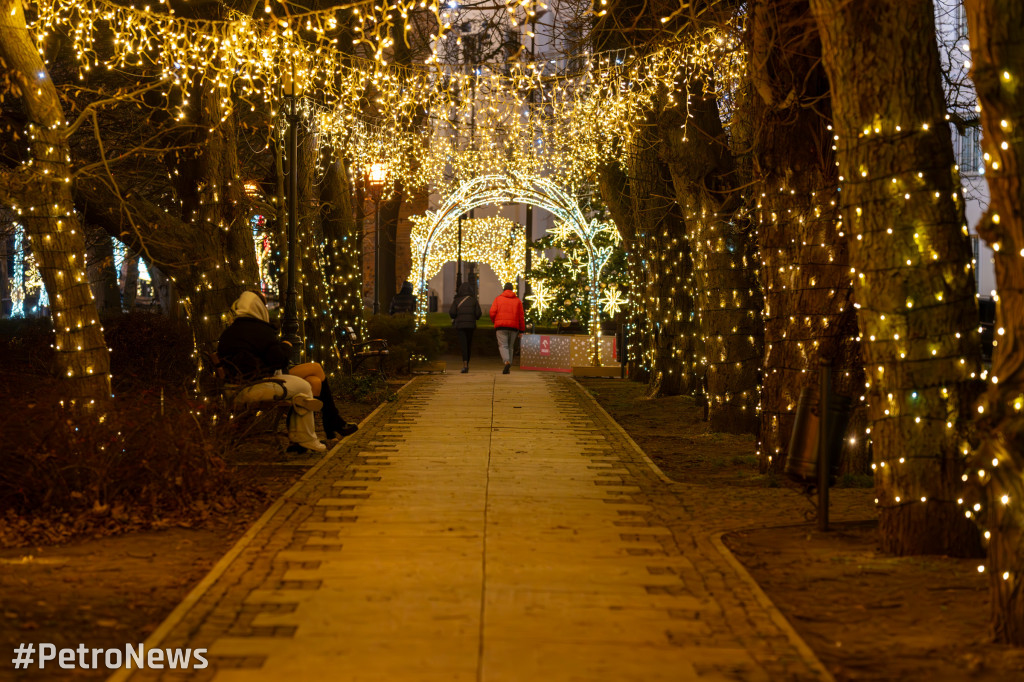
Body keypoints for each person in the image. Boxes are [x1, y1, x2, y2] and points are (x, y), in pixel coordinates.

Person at [217, 291, 357, 454]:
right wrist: (286, 346)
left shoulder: (229, 332)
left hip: (234, 385)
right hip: (259, 382)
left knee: (314, 381)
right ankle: (319, 431)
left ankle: (314, 434)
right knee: (310, 381)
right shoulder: (260, 330)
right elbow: (279, 360)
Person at [489, 282, 526, 374]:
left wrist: (495, 321)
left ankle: (506, 362)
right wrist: (522, 330)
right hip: (514, 327)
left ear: (504, 289)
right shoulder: (518, 301)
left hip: (501, 327)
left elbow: (492, 313)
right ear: (512, 290)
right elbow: (521, 317)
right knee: (510, 346)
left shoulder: (498, 299)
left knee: (503, 345)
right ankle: (509, 366)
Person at [449, 281, 482, 373]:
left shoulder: (457, 300)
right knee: (469, 344)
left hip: (460, 325)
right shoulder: (474, 300)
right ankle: (467, 362)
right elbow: (478, 314)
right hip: (471, 325)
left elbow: (452, 313)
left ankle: (465, 364)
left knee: (463, 344)